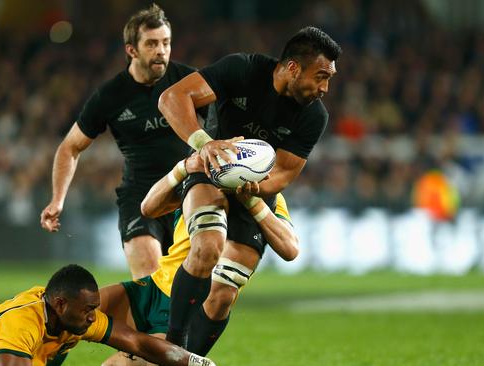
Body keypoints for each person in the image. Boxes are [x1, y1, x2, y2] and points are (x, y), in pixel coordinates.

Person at [157, 26, 341, 347]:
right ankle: (172, 348)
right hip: (210, 169)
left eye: (329, 79)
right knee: (207, 248)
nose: (325, 87)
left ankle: (192, 356)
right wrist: (204, 144)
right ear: (293, 68)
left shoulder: (314, 116)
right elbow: (172, 98)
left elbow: (283, 173)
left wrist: (253, 187)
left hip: (255, 189)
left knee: (225, 292)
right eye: (321, 76)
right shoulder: (242, 69)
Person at [40, 4, 209, 280]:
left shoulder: (188, 81)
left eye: (166, 43)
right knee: (148, 281)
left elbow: (220, 122)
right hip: (140, 198)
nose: (161, 51)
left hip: (188, 194)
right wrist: (57, 200)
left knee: (189, 291)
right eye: (152, 44)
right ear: (131, 50)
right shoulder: (111, 96)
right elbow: (70, 147)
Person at [98, 153, 299, 365]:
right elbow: (148, 208)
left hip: (182, 312)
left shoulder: (267, 195)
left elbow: (290, 248)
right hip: (153, 287)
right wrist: (183, 167)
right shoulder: (201, 175)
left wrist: (252, 201)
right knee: (67, 313)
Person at [0, 266, 216, 366]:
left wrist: (197, 363)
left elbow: (137, 342)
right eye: (88, 310)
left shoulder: (77, 318)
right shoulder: (23, 323)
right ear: (60, 304)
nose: (96, 317)